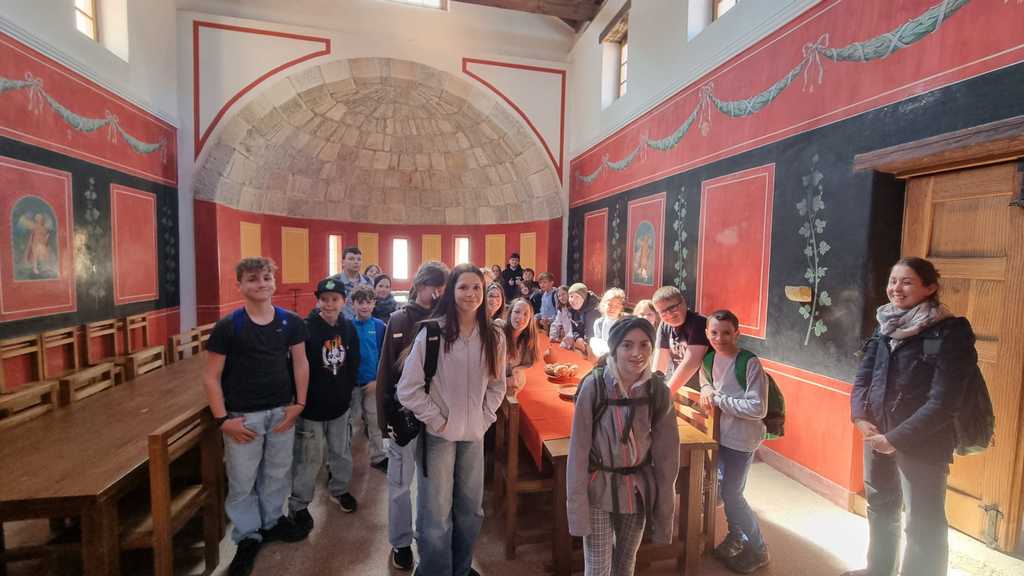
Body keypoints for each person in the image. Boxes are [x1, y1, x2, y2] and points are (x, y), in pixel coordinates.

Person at [844, 257, 975, 576]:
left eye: (906, 281)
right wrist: (860, 417)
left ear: (930, 288)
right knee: (880, 505)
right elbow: (863, 377)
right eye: (893, 281)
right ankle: (878, 569)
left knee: (923, 521)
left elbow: (944, 401)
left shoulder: (950, 331)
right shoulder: (885, 325)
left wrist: (895, 439)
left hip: (924, 440)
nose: (896, 288)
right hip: (877, 433)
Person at [203, 258, 310, 576]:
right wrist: (223, 420)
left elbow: (300, 363)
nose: (261, 283)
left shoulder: (291, 322)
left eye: (266, 277)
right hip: (243, 417)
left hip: (281, 412)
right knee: (243, 480)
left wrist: (299, 403)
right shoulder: (229, 326)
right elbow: (211, 376)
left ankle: (272, 521)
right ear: (239, 285)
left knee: (277, 472)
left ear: (274, 282)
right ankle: (248, 535)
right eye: (252, 279)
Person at [397, 263, 506, 576]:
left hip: (474, 436)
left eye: (477, 287)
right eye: (463, 287)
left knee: (471, 511)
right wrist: (438, 421)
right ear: (451, 292)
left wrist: (484, 418)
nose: (471, 294)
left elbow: (497, 385)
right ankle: (435, 571)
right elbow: (408, 389)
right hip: (439, 437)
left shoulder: (494, 336)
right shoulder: (433, 332)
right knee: (436, 514)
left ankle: (460, 568)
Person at [567, 317, 679, 576]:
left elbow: (667, 454)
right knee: (598, 567)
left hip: (637, 489)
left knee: (626, 562)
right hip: (598, 487)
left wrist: (664, 507)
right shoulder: (595, 386)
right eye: (627, 345)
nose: (636, 353)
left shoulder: (657, 391)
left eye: (644, 345)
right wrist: (577, 506)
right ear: (614, 347)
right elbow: (578, 451)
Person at [376, 261, 449, 572]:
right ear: (420, 286)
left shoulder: (448, 320)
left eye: (443, 288)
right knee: (400, 482)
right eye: (436, 287)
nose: (439, 293)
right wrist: (384, 422)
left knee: (434, 487)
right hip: (403, 413)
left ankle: (429, 541)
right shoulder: (398, 320)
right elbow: (385, 371)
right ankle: (401, 542)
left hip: (436, 413)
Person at [699, 310, 771, 574]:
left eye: (727, 333)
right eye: (714, 333)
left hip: (742, 440)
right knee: (724, 490)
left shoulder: (749, 363)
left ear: (737, 333)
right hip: (720, 437)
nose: (720, 338)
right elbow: (705, 384)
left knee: (733, 494)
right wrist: (708, 390)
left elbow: (758, 407)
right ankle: (735, 536)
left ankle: (759, 549)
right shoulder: (708, 360)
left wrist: (718, 400)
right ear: (707, 333)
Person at [288, 278, 360, 535]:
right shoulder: (306, 328)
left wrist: (346, 391)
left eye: (335, 299)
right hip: (312, 408)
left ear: (343, 301)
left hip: (340, 405)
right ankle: (299, 504)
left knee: (341, 451)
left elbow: (353, 361)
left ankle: (339, 489)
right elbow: (295, 365)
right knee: (309, 458)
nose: (329, 304)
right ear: (318, 301)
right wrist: (299, 399)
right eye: (325, 299)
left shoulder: (348, 328)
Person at [349, 284, 388, 476]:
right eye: (360, 302)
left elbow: (384, 357)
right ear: (353, 304)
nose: (364, 306)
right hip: (352, 385)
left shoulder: (380, 327)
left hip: (372, 384)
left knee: (374, 421)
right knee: (350, 422)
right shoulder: (347, 326)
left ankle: (378, 456)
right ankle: (341, 461)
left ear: (374, 304)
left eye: (368, 302)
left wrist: (378, 381)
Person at [651, 286, 709, 394]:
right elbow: (659, 365)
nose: (669, 314)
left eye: (672, 308)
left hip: (704, 390)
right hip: (681, 388)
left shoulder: (698, 322)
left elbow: (691, 363)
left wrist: (665, 394)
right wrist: (653, 389)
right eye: (662, 312)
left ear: (683, 302)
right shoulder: (664, 326)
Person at [501, 297, 538, 397]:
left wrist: (516, 371)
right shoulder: (499, 332)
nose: (521, 317)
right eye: (517, 312)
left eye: (526, 314)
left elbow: (527, 364)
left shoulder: (528, 340)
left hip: (512, 386)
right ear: (510, 314)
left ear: (530, 319)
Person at [329, 246, 370, 319]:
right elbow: (322, 305)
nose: (356, 262)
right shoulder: (332, 281)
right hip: (340, 323)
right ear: (343, 262)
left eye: (359, 259)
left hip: (363, 323)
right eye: (351, 259)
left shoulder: (368, 281)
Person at [589, 288, 626, 357]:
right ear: (603, 305)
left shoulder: (624, 325)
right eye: (609, 305)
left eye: (616, 306)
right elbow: (598, 345)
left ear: (621, 308)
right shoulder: (599, 323)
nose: (612, 308)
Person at [566, 282, 601, 353]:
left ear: (584, 298)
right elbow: (574, 328)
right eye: (571, 296)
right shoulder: (573, 310)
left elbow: (592, 336)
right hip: (583, 345)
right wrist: (577, 338)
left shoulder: (594, 312)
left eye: (577, 297)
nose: (573, 300)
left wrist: (583, 343)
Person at [548, 285, 574, 349]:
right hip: (567, 337)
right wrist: (553, 336)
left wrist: (568, 337)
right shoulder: (562, 309)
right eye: (559, 296)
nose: (561, 297)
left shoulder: (575, 307)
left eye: (563, 294)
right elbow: (556, 323)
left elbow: (574, 326)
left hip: (574, 337)